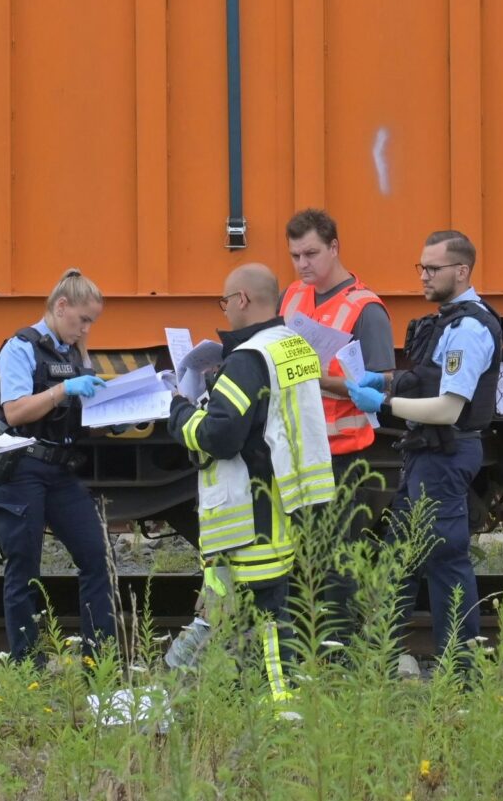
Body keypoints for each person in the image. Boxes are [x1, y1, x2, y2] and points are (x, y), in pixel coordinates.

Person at [166, 262, 336, 701]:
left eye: (225, 302)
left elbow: (219, 436)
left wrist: (181, 410)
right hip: (285, 502)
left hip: (249, 515)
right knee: (259, 611)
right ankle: (234, 700)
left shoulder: (247, 359)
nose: (224, 312)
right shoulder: (291, 346)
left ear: (242, 299)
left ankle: (283, 712)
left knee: (265, 620)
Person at [349, 228, 502, 661]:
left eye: (433, 269)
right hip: (427, 456)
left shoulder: (469, 328)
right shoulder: (448, 321)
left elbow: (450, 409)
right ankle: (381, 659)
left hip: (444, 454)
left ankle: (460, 670)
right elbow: (432, 379)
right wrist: (387, 379)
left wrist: (385, 401)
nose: (424, 276)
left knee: (445, 564)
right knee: (400, 558)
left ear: (461, 270)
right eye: (422, 267)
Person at [0, 268, 119, 664]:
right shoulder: (20, 347)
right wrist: (63, 388)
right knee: (24, 569)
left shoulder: (72, 351)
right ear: (61, 307)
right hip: (22, 467)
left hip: (60, 471)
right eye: (83, 320)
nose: (85, 330)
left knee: (97, 557)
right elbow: (14, 411)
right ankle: (28, 665)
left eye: (91, 322)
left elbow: (83, 409)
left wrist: (117, 412)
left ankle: (101, 661)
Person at [277, 207, 395, 636]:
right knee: (298, 558)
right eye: (295, 256)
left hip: (341, 456)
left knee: (338, 562)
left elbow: (381, 384)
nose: (303, 264)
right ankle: (305, 648)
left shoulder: (365, 309)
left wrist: (317, 378)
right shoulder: (292, 297)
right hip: (296, 451)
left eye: (310, 254)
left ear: (334, 248)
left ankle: (339, 653)